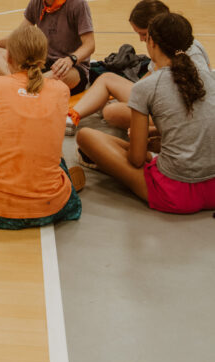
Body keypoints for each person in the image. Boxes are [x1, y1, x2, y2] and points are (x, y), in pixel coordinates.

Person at [76, 12, 215, 214]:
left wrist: (140, 143)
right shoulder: (205, 75)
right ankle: (156, 154)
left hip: (175, 193)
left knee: (86, 136)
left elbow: (136, 160)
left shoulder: (147, 86)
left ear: (152, 42)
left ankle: (152, 157)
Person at [0, 23, 84, 229]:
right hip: (53, 207)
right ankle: (46, 179)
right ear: (44, 58)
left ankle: (11, 179)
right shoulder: (61, 89)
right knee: (52, 154)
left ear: (8, 58)